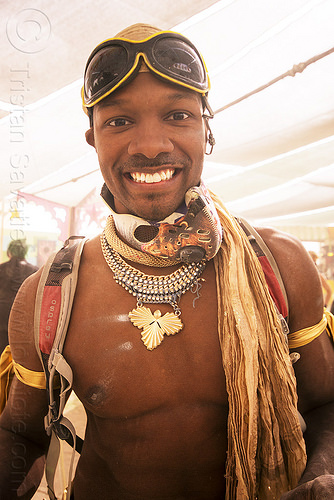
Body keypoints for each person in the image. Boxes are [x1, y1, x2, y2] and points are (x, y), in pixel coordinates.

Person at [0, 23, 334, 500]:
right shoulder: (48, 296)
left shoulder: (278, 266)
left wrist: (318, 478)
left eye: (178, 115)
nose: (150, 145)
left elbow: (326, 404)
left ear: (206, 131)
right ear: (92, 138)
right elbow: (19, 433)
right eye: (119, 121)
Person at [0, 239, 38, 354]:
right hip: (24, 320)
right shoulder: (35, 271)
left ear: (9, 253)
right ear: (25, 252)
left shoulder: (1, 268)